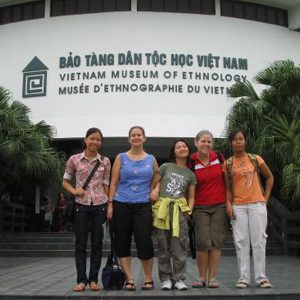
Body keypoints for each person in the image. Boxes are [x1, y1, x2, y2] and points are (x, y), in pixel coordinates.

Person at [107, 126, 158, 291]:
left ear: (145, 138)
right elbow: (114, 182)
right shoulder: (121, 158)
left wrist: (156, 190)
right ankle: (129, 278)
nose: (136, 137)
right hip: (122, 203)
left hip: (143, 203)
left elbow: (157, 180)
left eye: (139, 135)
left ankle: (148, 278)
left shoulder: (151, 159)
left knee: (145, 241)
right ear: (129, 139)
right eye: (133, 135)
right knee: (122, 241)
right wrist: (110, 204)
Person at [62, 127, 111, 292]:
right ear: (85, 139)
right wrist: (74, 191)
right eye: (92, 139)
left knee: (97, 244)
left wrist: (108, 204)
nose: (95, 142)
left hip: (99, 205)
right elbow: (65, 181)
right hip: (81, 205)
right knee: (80, 244)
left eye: (98, 140)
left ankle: (93, 280)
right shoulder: (74, 159)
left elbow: (106, 185)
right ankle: (81, 280)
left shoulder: (105, 161)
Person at [224, 128, 274, 289]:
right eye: (235, 139)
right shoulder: (228, 163)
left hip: (257, 205)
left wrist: (265, 198)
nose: (238, 142)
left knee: (259, 241)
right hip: (238, 206)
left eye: (241, 139)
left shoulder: (255, 159)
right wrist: (228, 205)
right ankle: (243, 278)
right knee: (241, 242)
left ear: (245, 141)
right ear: (231, 143)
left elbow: (270, 177)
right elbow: (227, 188)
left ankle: (261, 278)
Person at [151, 139, 196, 290]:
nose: (182, 148)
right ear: (174, 152)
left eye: (184, 146)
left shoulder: (190, 174)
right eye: (179, 147)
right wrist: (156, 189)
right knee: (163, 244)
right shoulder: (165, 167)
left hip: (180, 211)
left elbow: (191, 196)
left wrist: (189, 210)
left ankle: (179, 279)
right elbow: (154, 183)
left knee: (180, 245)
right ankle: (165, 279)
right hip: (163, 209)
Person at [190, 130, 226, 288]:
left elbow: (227, 182)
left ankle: (212, 277)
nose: (206, 144)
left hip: (220, 205)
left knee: (216, 242)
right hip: (200, 207)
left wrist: (229, 203)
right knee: (203, 242)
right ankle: (201, 277)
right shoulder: (191, 161)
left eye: (209, 142)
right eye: (203, 141)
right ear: (196, 142)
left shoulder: (219, 158)